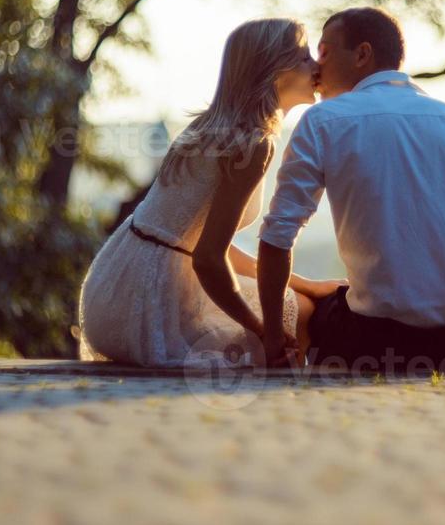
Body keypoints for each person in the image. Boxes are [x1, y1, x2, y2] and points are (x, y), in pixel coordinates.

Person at [256, 7, 445, 374]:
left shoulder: (323, 123)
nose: (316, 70)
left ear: (363, 54)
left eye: (324, 51)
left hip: (376, 339)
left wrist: (273, 335)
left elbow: (278, 235)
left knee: (305, 306)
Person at [78, 18, 344, 367]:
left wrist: (306, 283)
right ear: (275, 70)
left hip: (113, 288)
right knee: (300, 313)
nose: (316, 65)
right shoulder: (253, 144)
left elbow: (201, 244)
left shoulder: (209, 127)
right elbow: (207, 259)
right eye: (305, 57)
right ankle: (283, 407)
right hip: (148, 305)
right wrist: (264, 331)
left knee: (297, 301)